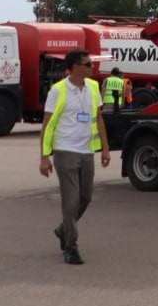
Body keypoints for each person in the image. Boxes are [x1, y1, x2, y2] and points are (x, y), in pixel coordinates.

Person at [40, 49, 111, 265]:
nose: (92, 67)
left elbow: (98, 118)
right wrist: (44, 156)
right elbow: (47, 124)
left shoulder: (92, 87)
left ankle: (63, 229)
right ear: (75, 67)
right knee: (70, 201)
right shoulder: (58, 90)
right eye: (88, 64)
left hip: (86, 150)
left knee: (86, 197)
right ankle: (70, 247)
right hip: (65, 150)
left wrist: (105, 149)